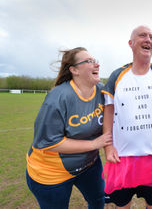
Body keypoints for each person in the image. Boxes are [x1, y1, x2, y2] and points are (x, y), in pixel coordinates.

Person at [102, 25, 152, 209]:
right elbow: (108, 109)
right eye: (142, 36)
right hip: (121, 157)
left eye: (151, 37)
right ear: (130, 43)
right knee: (122, 204)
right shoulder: (117, 75)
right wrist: (108, 146)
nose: (148, 40)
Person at [26, 47, 112, 209]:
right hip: (51, 173)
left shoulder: (102, 90)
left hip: (89, 164)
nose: (97, 64)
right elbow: (49, 142)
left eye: (96, 61)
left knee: (98, 200)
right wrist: (94, 144)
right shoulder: (58, 97)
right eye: (89, 61)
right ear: (74, 70)